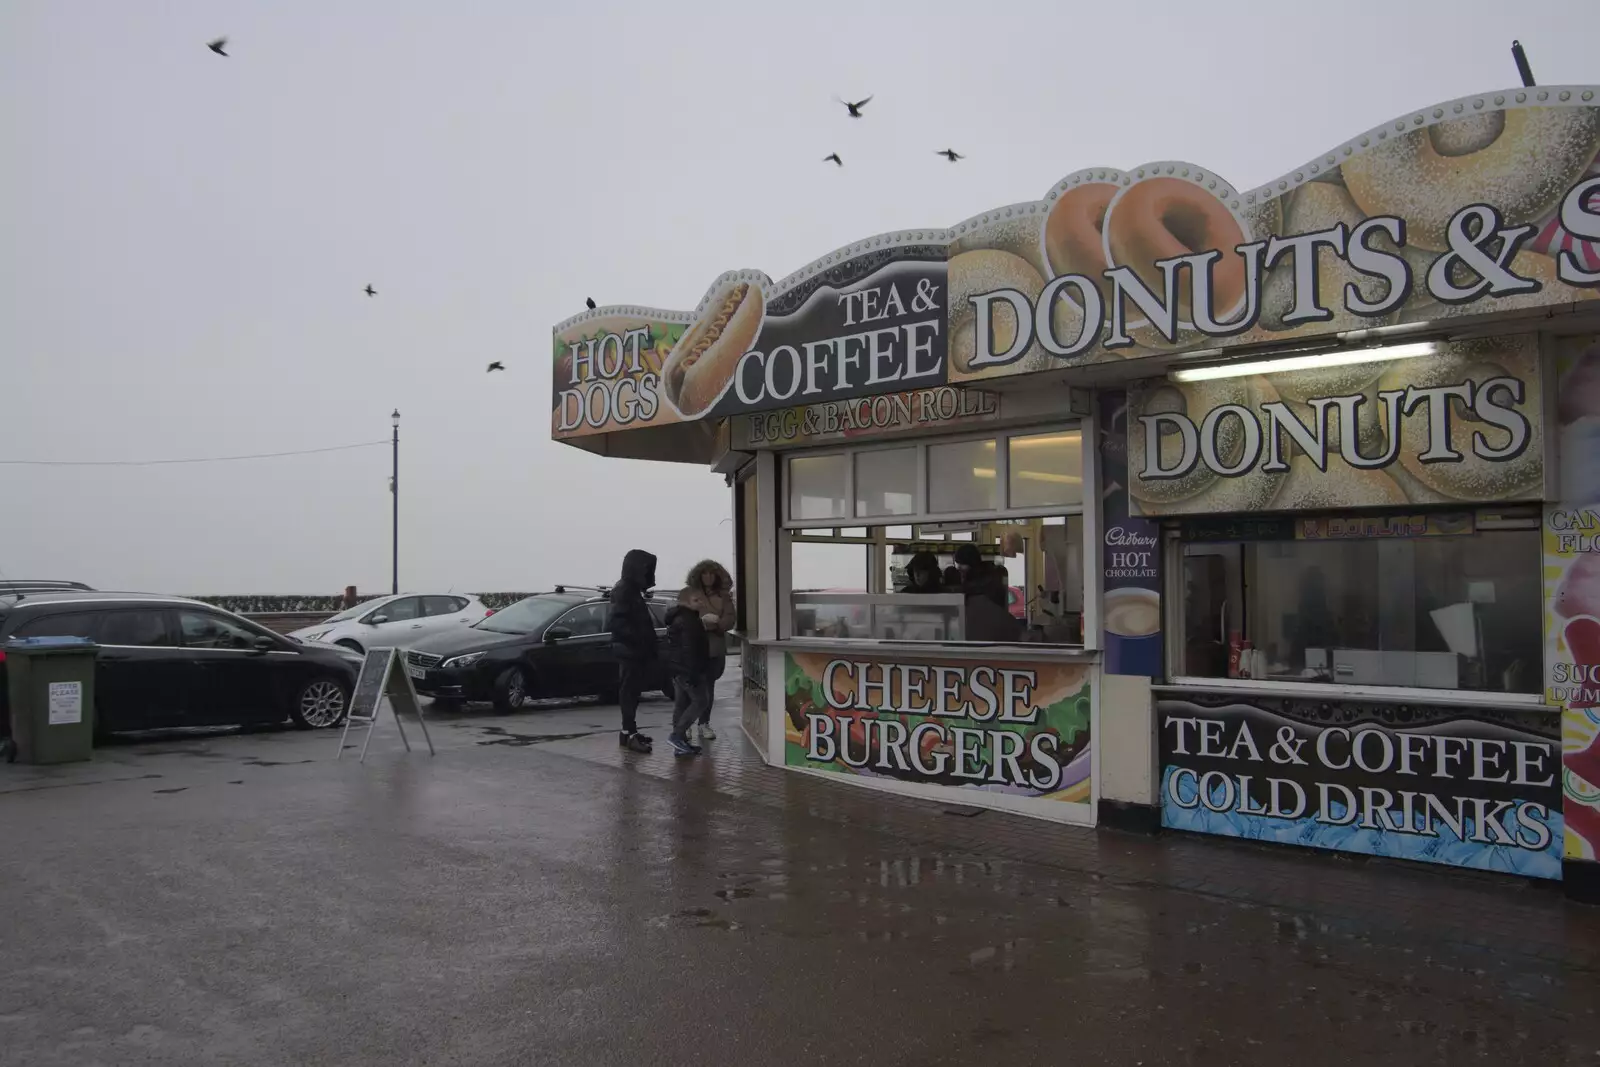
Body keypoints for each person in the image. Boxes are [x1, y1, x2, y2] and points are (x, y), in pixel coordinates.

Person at [677, 559, 735, 743]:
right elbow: (684, 614)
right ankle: (684, 726)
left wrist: (717, 625)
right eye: (705, 573)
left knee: (709, 688)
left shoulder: (724, 596)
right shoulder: (689, 593)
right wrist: (701, 623)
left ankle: (704, 723)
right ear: (699, 575)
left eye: (712, 573)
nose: (708, 577)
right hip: (693, 648)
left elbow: (730, 618)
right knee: (688, 691)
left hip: (715, 648)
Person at [609, 548, 658, 752]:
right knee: (629, 693)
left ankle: (629, 732)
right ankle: (629, 733)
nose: (648, 573)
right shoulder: (625, 590)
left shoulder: (630, 590)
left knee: (632, 693)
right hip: (630, 651)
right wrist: (639, 640)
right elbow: (618, 622)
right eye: (645, 568)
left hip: (633, 650)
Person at [662, 604, 710, 757]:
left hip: (678, 668)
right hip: (687, 669)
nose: (700, 601)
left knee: (681, 704)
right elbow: (691, 648)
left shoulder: (679, 618)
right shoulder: (688, 621)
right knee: (701, 700)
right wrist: (694, 672)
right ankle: (677, 736)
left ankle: (680, 745)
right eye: (696, 599)